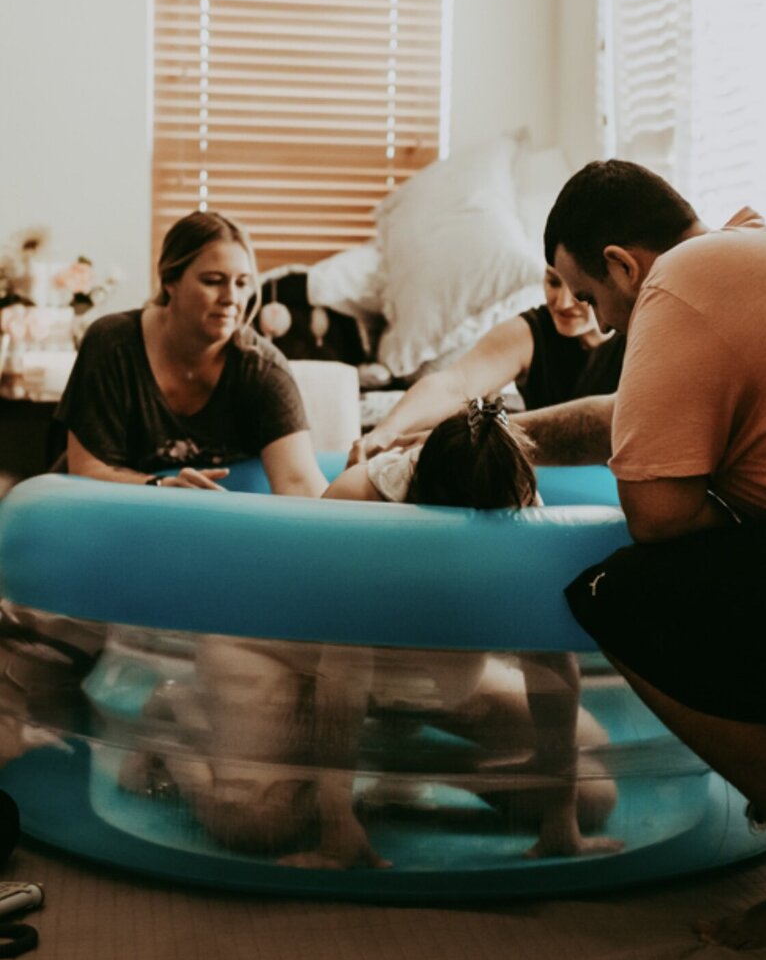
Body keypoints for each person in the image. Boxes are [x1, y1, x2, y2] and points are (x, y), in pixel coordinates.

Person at [115, 401, 619, 868]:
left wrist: (561, 821)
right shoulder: (359, 503)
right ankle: (174, 713)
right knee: (258, 825)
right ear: (423, 495)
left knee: (593, 797)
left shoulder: (519, 505)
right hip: (289, 657)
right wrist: (337, 826)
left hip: (420, 679)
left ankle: (404, 764)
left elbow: (551, 665)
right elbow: (343, 670)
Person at [536, 159, 766, 949]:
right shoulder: (751, 254)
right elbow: (627, 414)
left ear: (624, 263)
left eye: (588, 295)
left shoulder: (677, 285)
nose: (596, 320)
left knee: (624, 592)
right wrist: (514, 434)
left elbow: (657, 516)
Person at [56, 211, 327, 496]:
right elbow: (87, 470)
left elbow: (298, 482)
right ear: (170, 280)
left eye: (242, 283)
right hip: (106, 515)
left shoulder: (262, 369)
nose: (231, 298)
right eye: (212, 281)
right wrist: (162, 488)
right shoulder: (112, 345)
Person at [347, 265, 625, 468]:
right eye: (552, 282)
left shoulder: (644, 333)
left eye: (577, 291)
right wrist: (386, 431)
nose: (562, 302)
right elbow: (454, 384)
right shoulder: (530, 331)